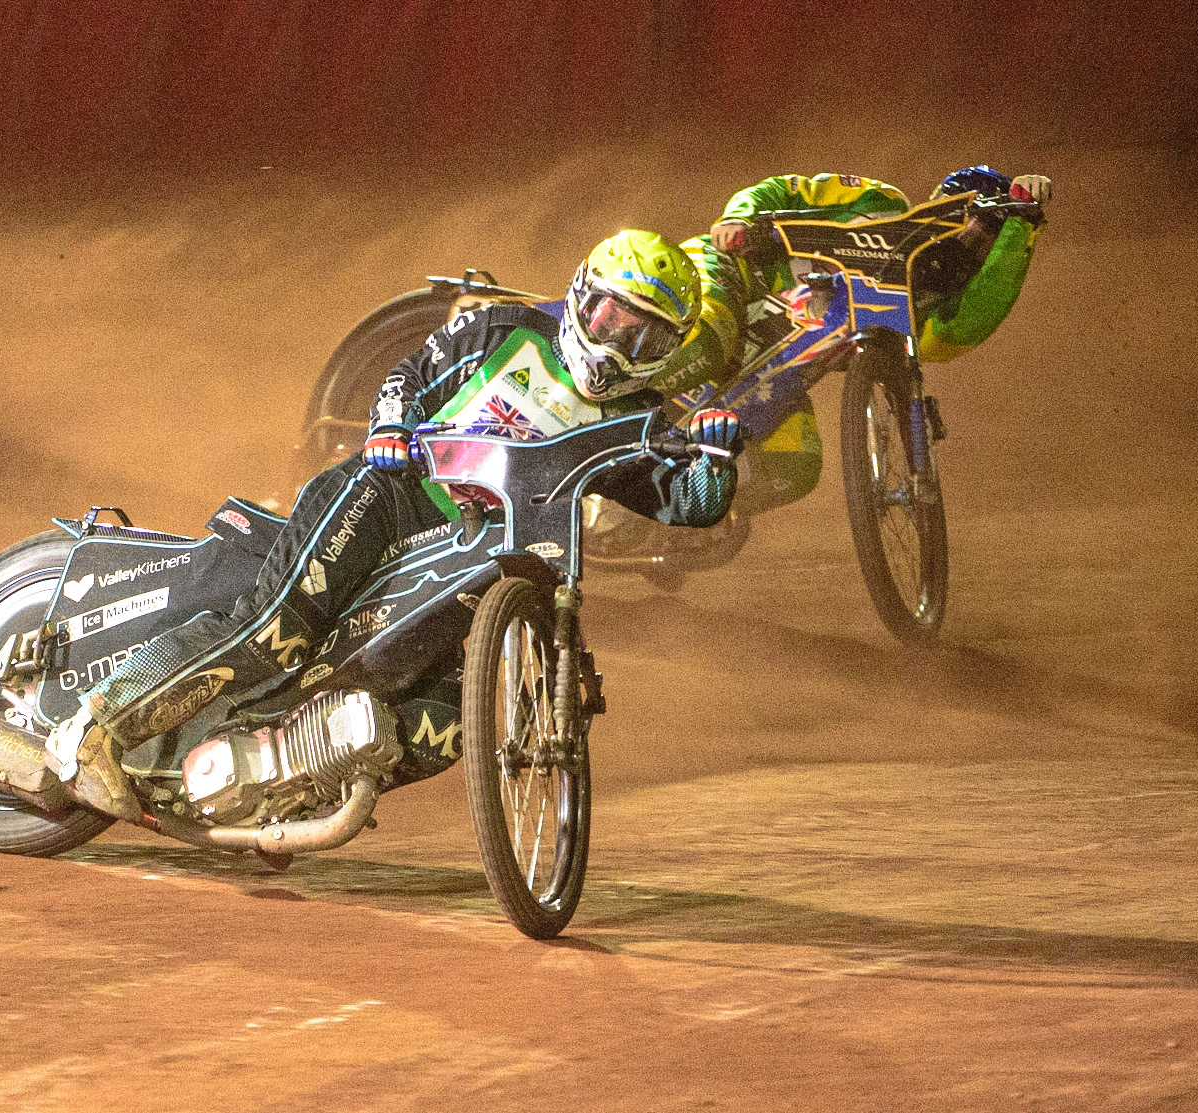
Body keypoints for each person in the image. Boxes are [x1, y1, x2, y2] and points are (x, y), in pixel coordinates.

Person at [47, 230, 743, 815]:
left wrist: (714, 453)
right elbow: (405, 375)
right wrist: (388, 428)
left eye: (645, 337)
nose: (618, 346)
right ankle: (94, 728)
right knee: (274, 632)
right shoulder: (504, 329)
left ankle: (277, 781)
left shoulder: (636, 419)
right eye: (608, 318)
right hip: (389, 499)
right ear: (579, 294)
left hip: (479, 565)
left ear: (668, 349)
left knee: (445, 728)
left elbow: (689, 503)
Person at [652, 166, 1051, 515]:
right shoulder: (883, 201)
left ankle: (675, 513)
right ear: (946, 207)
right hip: (727, 275)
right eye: (973, 227)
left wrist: (1021, 228)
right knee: (707, 350)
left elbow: (963, 328)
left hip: (767, 376)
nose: (972, 247)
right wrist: (739, 218)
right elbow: (789, 189)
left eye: (987, 247)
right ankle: (600, 403)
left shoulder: (913, 312)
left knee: (796, 470)